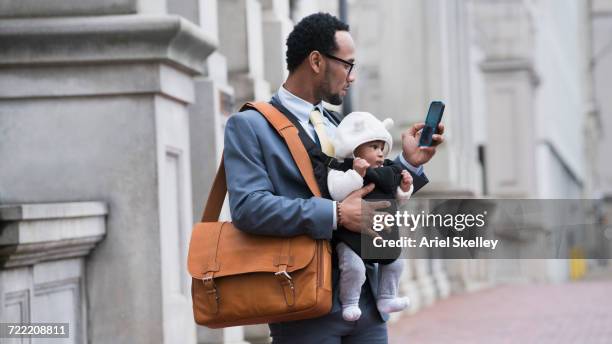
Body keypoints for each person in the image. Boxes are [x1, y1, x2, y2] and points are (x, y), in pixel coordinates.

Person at [223, 12, 444, 344]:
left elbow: (367, 185)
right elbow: (248, 208)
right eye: (348, 65)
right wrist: (336, 215)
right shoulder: (250, 125)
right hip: (302, 306)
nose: (352, 77)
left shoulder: (342, 125)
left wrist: (408, 164)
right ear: (316, 61)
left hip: (367, 305)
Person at [326, 111, 413, 322]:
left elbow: (396, 201)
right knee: (354, 268)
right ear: (354, 148)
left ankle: (387, 296)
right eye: (374, 147)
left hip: (381, 233)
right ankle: (350, 302)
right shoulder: (342, 168)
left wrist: (404, 188)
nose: (381, 154)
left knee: (396, 263)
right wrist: (356, 175)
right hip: (351, 236)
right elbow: (336, 192)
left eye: (382, 148)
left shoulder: (387, 171)